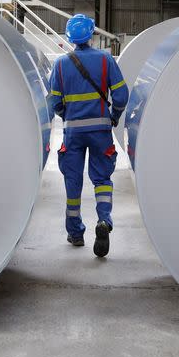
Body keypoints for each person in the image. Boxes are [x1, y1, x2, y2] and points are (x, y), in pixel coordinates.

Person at [49, 14, 129, 258]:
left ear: (69, 37)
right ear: (93, 34)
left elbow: (54, 101)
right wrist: (113, 115)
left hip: (73, 132)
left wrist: (68, 115)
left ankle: (75, 233)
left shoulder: (61, 64)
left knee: (73, 183)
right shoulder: (106, 60)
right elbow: (122, 95)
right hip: (100, 132)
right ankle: (104, 220)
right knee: (102, 179)